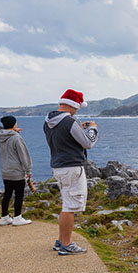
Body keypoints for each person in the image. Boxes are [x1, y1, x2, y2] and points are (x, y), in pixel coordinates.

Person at [43, 89, 98, 255]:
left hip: (58, 166)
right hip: (73, 167)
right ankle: (67, 244)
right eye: (77, 107)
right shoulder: (69, 121)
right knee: (71, 206)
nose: (77, 111)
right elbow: (88, 143)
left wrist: (78, 129)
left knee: (66, 203)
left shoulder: (48, 121)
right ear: (73, 105)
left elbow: (65, 137)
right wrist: (93, 129)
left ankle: (61, 240)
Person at [0, 115, 33, 227]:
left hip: (5, 170)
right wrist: (28, 170)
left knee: (7, 194)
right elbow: (23, 155)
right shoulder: (16, 138)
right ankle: (17, 217)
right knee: (19, 194)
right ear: (14, 124)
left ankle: (4, 217)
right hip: (16, 170)